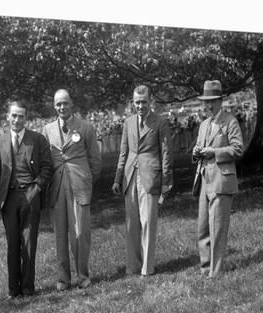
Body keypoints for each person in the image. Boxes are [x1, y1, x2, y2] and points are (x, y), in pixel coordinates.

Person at [0, 100, 53, 299]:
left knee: (29, 242)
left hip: (31, 195)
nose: (16, 119)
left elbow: (48, 167)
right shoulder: (0, 141)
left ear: (26, 118)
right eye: (13, 115)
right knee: (13, 243)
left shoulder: (37, 140)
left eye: (21, 116)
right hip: (9, 197)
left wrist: (37, 187)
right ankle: (13, 290)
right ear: (8, 117)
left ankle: (28, 288)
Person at [42, 89, 101, 290]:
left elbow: (95, 160)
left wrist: (87, 180)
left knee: (80, 233)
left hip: (79, 185)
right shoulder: (47, 130)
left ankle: (83, 275)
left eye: (65, 103)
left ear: (71, 104)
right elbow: (45, 161)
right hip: (57, 186)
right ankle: (63, 279)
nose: (62, 107)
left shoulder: (85, 127)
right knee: (60, 234)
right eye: (58, 104)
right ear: (54, 106)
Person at [112, 85, 173, 277]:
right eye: (137, 102)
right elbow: (123, 152)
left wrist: (165, 182)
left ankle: (147, 268)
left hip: (150, 176)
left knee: (148, 222)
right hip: (129, 177)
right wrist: (117, 179)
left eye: (144, 102)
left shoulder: (160, 122)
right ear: (133, 102)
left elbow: (166, 153)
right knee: (132, 224)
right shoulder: (128, 122)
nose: (140, 105)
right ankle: (133, 266)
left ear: (151, 101)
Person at [191, 80, 243, 278]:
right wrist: (196, 152)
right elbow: (198, 150)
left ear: (220, 101)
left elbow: (238, 148)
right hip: (204, 178)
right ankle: (205, 268)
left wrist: (215, 151)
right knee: (203, 227)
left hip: (222, 180)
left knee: (218, 228)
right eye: (206, 102)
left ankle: (217, 271)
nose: (209, 105)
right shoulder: (204, 124)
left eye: (213, 101)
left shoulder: (230, 122)